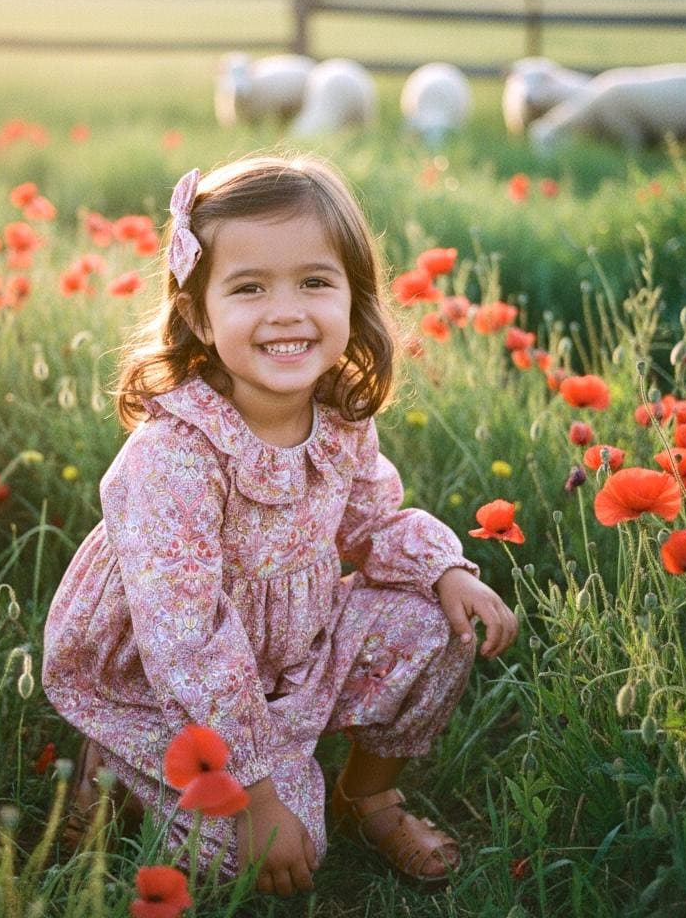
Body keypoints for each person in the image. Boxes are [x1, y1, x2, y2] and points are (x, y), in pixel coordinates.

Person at [42, 153, 518, 896]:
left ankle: (369, 796)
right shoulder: (173, 459)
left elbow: (371, 523)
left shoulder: (336, 418)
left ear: (353, 299)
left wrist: (445, 568)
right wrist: (255, 796)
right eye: (250, 287)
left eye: (315, 282)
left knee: (434, 620)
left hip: (293, 651)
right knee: (251, 858)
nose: (287, 310)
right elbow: (187, 639)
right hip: (167, 676)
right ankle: (122, 761)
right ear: (200, 312)